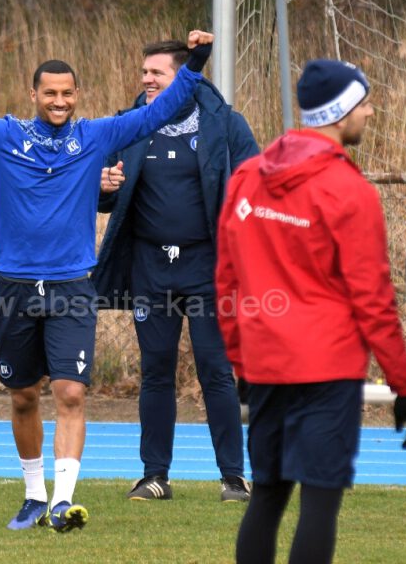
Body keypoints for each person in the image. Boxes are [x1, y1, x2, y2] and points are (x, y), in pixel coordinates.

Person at [0, 30, 214, 532]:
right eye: (50, 93)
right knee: (24, 395)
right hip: (15, 289)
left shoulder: (96, 136)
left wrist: (198, 59)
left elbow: (158, 112)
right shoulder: (1, 136)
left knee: (71, 393)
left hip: (72, 287)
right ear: (34, 95)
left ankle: (62, 503)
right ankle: (33, 494)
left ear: (77, 95)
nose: (59, 101)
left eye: (67, 93)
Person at [215, 59, 406, 564]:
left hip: (267, 363)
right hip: (327, 369)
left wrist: (243, 362)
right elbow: (373, 300)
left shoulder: (247, 177)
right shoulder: (349, 190)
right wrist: (403, 386)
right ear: (341, 111)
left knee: (266, 495)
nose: (370, 113)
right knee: (319, 501)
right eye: (364, 103)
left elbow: (226, 282)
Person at [93, 39, 260, 502]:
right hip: (150, 269)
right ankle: (154, 476)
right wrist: (103, 187)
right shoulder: (127, 127)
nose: (146, 79)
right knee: (156, 372)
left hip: (208, 269)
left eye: (157, 73)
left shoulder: (225, 125)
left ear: (185, 77)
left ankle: (233, 478)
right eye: (144, 72)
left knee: (216, 373)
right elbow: (103, 196)